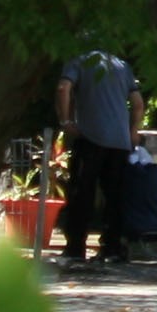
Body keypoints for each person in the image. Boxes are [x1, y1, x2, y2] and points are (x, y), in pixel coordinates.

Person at [57, 49, 137, 262]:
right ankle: (112, 247)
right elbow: (138, 103)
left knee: (82, 192)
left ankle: (75, 247)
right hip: (120, 142)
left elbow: (64, 87)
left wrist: (65, 121)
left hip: (91, 136)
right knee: (115, 195)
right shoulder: (122, 65)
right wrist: (132, 133)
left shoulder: (78, 60)